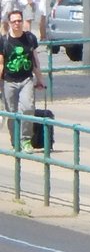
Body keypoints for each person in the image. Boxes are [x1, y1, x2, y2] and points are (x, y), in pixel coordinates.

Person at [0, 9, 47, 151]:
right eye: (14, 21)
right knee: (11, 113)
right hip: (9, 81)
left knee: (28, 108)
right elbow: (1, 63)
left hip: (26, 79)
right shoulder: (4, 40)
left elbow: (35, 61)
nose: (17, 24)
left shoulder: (30, 38)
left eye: (19, 20)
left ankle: (26, 140)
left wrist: (40, 80)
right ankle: (15, 141)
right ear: (9, 23)